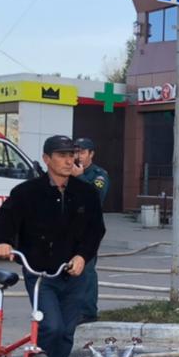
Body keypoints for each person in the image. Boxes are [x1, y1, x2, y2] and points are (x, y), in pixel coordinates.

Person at [0, 135, 105, 357]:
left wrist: (82, 256)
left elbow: (95, 230)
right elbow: (5, 219)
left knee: (66, 333)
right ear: (46, 159)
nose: (69, 160)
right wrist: (2, 240)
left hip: (75, 274)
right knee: (51, 327)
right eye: (62, 155)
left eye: (72, 155)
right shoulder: (27, 192)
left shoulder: (86, 192)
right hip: (41, 273)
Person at [73, 137, 109, 323]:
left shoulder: (98, 174)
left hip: (89, 228)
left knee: (86, 269)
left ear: (91, 154)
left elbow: (95, 195)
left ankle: (88, 312)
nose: (77, 156)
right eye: (75, 151)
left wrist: (79, 177)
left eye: (82, 152)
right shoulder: (67, 171)